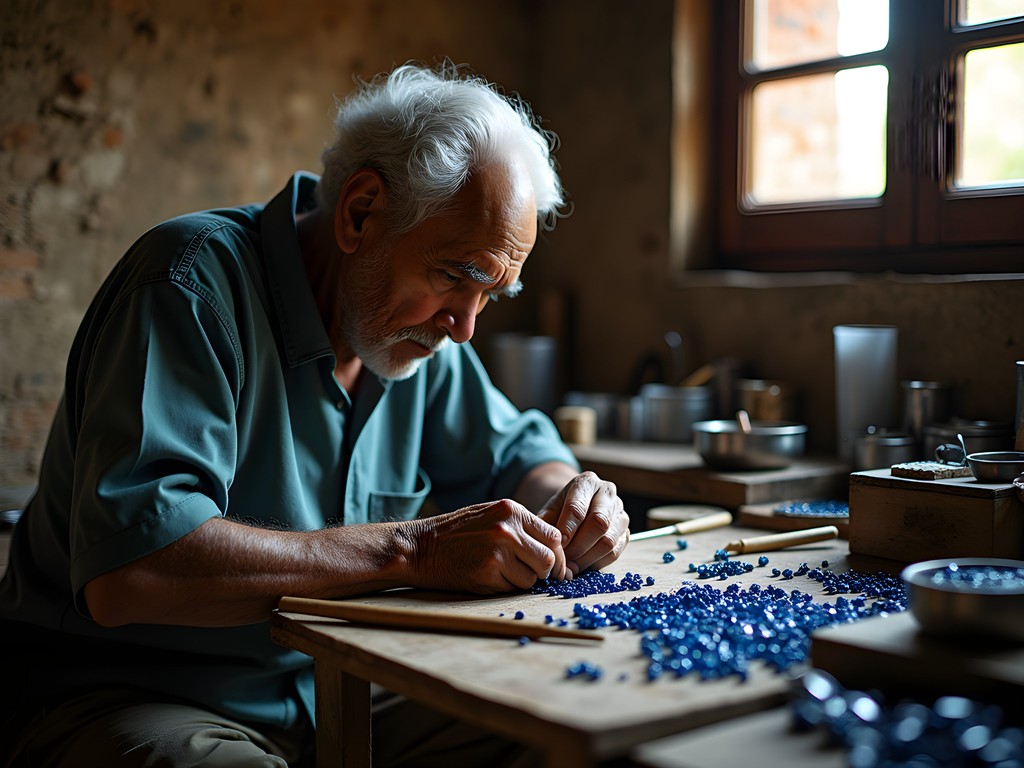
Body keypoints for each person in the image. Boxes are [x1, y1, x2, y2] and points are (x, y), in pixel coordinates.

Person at [0, 62, 630, 766]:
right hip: (136, 692)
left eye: (493, 295)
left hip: (343, 682)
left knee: (572, 734)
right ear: (361, 212)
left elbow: (521, 454)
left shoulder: (418, 338)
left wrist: (572, 501)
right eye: (457, 276)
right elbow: (134, 571)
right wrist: (414, 550)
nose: (465, 328)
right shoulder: (189, 286)